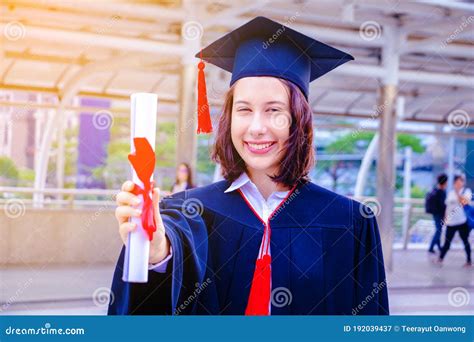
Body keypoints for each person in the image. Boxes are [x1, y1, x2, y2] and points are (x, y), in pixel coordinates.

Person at [109, 16, 389, 315]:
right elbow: (170, 257)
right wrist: (157, 255)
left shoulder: (349, 222)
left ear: (299, 119)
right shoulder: (189, 210)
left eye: (274, 110)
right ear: (229, 118)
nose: (256, 127)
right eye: (244, 110)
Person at [438, 175, 472, 267]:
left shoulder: (466, 191)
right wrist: (445, 218)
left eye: (459, 182)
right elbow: (447, 207)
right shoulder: (450, 193)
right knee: (447, 242)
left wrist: (457, 192)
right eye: (456, 182)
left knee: (465, 241)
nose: (458, 184)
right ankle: (440, 259)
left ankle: (469, 261)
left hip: (462, 221)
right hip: (451, 222)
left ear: (463, 182)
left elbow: (463, 202)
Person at [427, 173, 447, 254]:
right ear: (445, 182)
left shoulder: (435, 189)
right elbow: (443, 205)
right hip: (440, 214)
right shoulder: (441, 192)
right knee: (438, 230)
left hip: (435, 214)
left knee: (438, 230)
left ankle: (438, 247)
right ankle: (431, 247)